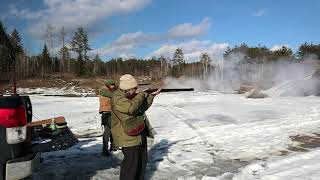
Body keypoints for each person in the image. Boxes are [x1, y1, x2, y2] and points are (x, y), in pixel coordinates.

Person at [111, 74, 160, 180]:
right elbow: (130, 108)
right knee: (131, 167)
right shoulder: (117, 97)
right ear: (127, 88)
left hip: (138, 132)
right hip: (128, 137)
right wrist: (142, 94)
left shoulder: (129, 97)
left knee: (141, 162)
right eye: (134, 89)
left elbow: (141, 108)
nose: (135, 91)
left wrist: (151, 96)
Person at [99, 79, 117, 156]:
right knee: (107, 131)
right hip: (106, 113)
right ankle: (105, 149)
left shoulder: (109, 90)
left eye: (114, 85)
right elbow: (113, 95)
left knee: (113, 130)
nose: (113, 86)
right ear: (108, 85)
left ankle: (113, 146)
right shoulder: (104, 90)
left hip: (111, 113)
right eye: (112, 85)